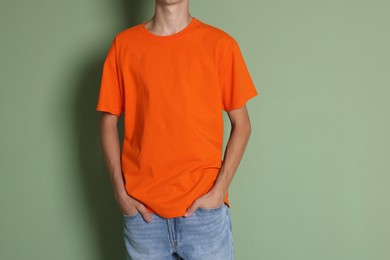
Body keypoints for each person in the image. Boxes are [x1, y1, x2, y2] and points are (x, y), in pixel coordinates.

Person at [96, 0, 258, 259]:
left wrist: (220, 190)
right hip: (143, 219)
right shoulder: (124, 46)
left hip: (204, 216)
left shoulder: (220, 44)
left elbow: (243, 124)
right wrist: (119, 191)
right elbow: (107, 121)